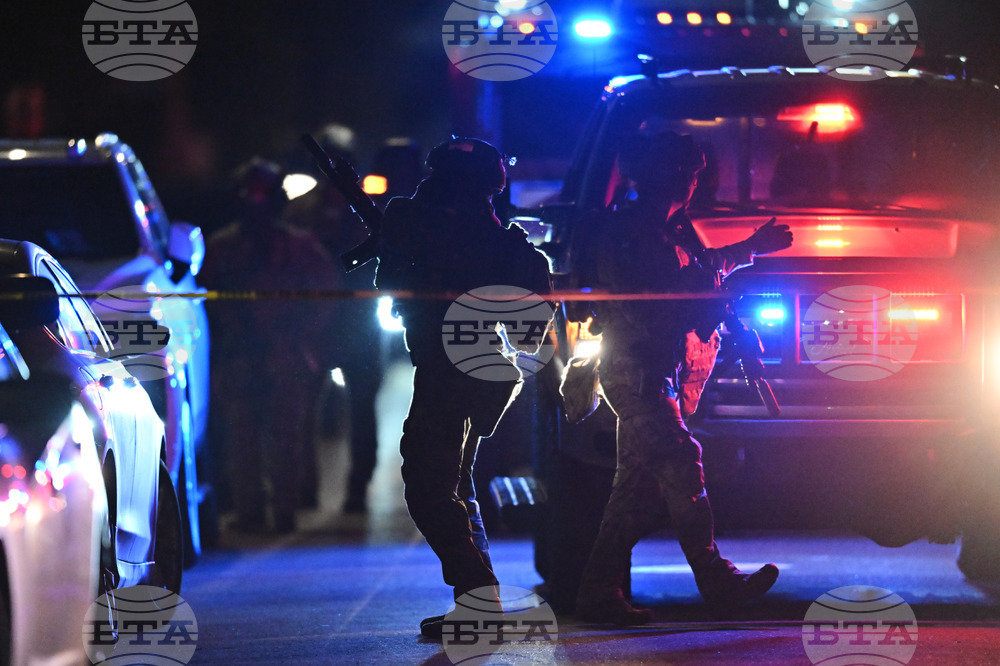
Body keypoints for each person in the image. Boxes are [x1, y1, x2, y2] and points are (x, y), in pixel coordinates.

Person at [574, 131, 793, 624]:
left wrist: (750, 249)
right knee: (681, 459)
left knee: (634, 489)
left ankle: (597, 591)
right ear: (667, 177)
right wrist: (706, 300)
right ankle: (716, 578)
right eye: (689, 176)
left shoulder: (670, 230)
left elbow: (702, 271)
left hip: (661, 370)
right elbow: (653, 306)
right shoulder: (627, 235)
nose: (693, 186)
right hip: (636, 371)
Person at [375, 137, 551, 639]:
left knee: (428, 486)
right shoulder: (498, 241)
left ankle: (478, 594)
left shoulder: (429, 226)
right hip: (480, 373)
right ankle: (481, 601)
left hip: (456, 372)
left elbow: (391, 284)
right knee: (454, 485)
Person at [200, 158, 339, 533]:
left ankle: (284, 511)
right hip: (241, 354)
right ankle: (251, 512)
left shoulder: (298, 246)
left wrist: (299, 334)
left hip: (286, 353)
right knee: (242, 438)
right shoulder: (221, 248)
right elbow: (202, 303)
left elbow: (327, 296)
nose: (257, 203)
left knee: (285, 438)